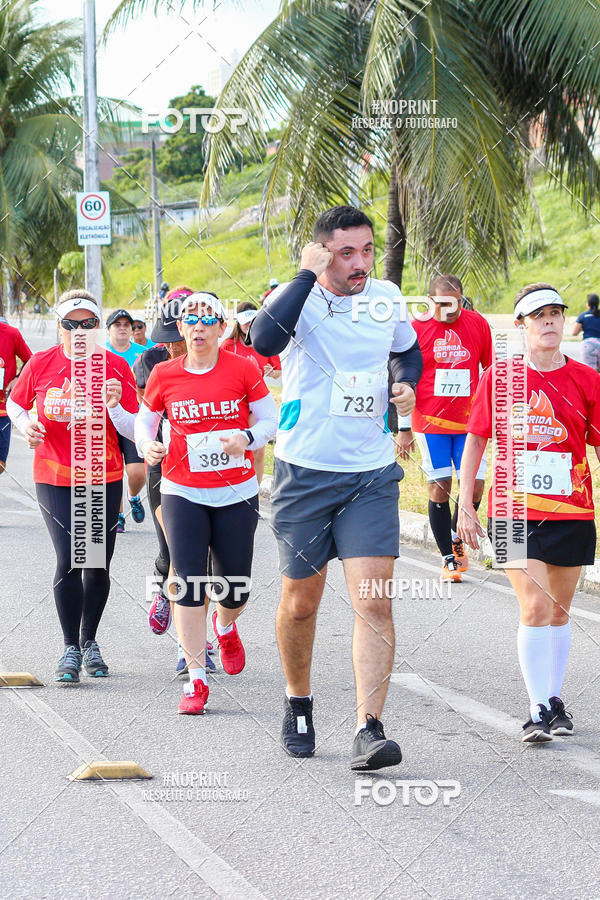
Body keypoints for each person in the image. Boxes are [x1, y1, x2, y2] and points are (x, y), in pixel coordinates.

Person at [250, 205, 423, 769]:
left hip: (370, 473)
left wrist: (404, 383)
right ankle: (298, 701)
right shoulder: (297, 297)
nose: (360, 263)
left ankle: (369, 729)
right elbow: (263, 341)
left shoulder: (387, 297)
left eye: (367, 250)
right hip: (304, 471)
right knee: (301, 603)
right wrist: (305, 274)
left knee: (374, 601)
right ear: (322, 252)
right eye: (346, 253)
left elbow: (406, 350)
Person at [458, 283, 600, 742]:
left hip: (572, 511)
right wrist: (465, 503)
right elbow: (476, 440)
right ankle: (537, 709)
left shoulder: (587, 380)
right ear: (521, 325)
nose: (549, 321)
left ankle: (554, 700)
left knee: (558, 611)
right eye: (538, 315)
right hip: (511, 512)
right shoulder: (499, 378)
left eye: (555, 313)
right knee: (535, 606)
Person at [134, 292, 278, 714]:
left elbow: (270, 420)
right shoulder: (164, 373)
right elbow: (146, 419)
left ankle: (225, 625)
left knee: (234, 587)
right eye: (191, 320)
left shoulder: (243, 368)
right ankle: (195, 679)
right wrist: (146, 444)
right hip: (182, 490)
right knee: (188, 582)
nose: (199, 326)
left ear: (221, 327)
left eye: (208, 319)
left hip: (236, 491)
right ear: (180, 328)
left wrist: (246, 438)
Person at [7, 290, 139, 682]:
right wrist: (27, 426)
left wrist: (116, 406)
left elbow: (134, 428)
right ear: (59, 326)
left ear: (97, 327)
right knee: (69, 557)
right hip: (54, 474)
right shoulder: (42, 363)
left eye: (87, 324)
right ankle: (69, 648)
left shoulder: (115, 366)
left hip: (101, 474)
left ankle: (89, 640)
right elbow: (15, 404)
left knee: (96, 563)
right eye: (70, 324)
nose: (79, 331)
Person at [131, 287, 216, 676]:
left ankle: (198, 642)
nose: (171, 347)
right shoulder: (152, 362)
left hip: (210, 468)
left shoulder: (216, 360)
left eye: (174, 341)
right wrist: (148, 443)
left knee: (208, 562)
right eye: (165, 340)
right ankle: (168, 602)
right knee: (178, 555)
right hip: (164, 467)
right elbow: (142, 417)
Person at [396, 274, 493, 581]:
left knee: (475, 485)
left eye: (457, 302)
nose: (451, 309)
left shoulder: (478, 324)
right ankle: (448, 556)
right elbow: (403, 379)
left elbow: (490, 370)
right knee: (440, 486)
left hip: (470, 422)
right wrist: (404, 427)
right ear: (430, 301)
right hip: (430, 421)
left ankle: (454, 536)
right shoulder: (417, 329)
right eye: (443, 303)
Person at [221, 301, 281, 483]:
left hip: (257, 400)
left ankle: (255, 491)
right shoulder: (228, 345)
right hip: (233, 402)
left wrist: (270, 372)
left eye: (252, 321)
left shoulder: (264, 343)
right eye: (245, 322)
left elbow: (278, 372)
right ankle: (234, 486)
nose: (248, 325)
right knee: (234, 450)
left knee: (259, 450)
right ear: (238, 323)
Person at [105, 308, 146, 529]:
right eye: (117, 324)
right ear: (108, 329)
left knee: (137, 472)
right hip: (107, 421)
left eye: (126, 325)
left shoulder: (144, 354)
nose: (122, 328)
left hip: (135, 419)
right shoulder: (99, 354)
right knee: (113, 471)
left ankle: (133, 496)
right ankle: (118, 514)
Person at [0, 319, 32, 473]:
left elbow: (30, 360)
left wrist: (18, 379)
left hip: (2, 409)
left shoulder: (11, 333)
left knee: (1, 464)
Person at [572, 292, 600, 371]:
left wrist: (584, 327)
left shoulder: (583, 316)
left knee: (590, 372)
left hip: (588, 345)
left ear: (587, 304)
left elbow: (574, 333)